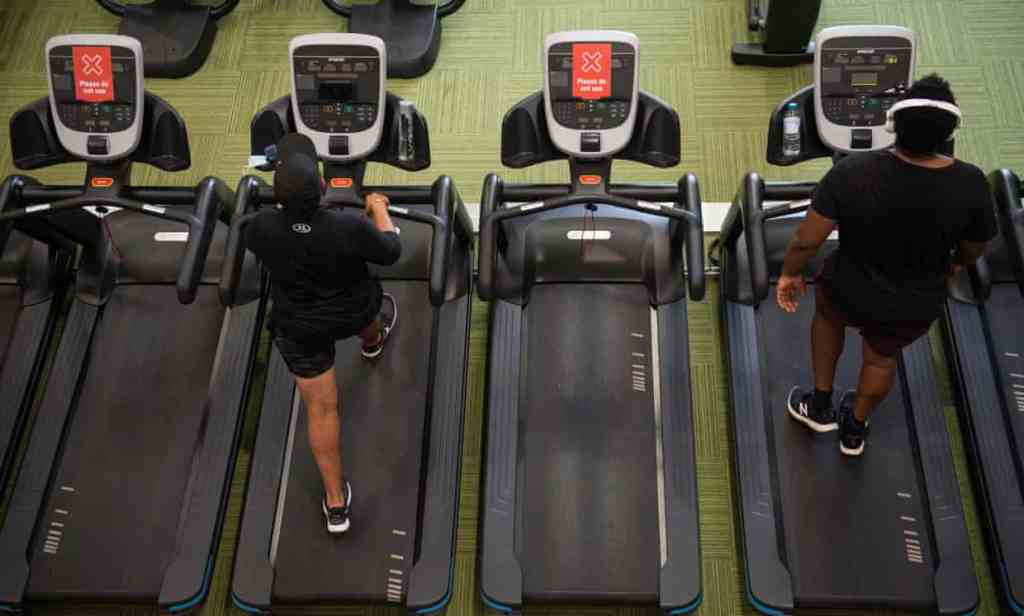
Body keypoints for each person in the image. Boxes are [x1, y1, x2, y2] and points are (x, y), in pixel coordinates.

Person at [777, 74, 996, 456]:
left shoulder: (852, 172)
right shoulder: (972, 183)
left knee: (828, 322)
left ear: (894, 125)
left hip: (849, 284)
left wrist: (791, 272)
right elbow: (975, 247)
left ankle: (821, 404)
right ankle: (854, 429)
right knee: (881, 359)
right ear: (948, 131)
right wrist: (955, 265)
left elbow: (808, 239)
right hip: (913, 299)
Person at [246, 133, 401, 533]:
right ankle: (374, 342)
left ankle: (336, 503)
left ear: (277, 199)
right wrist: (377, 208)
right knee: (368, 314)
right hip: (351, 311)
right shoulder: (348, 227)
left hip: (298, 328)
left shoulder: (259, 228)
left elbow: (281, 234)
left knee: (321, 410)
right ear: (324, 187)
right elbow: (390, 250)